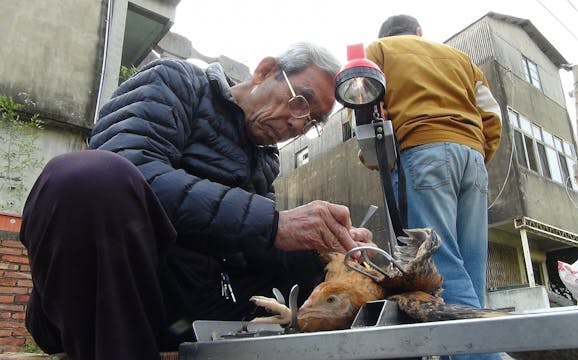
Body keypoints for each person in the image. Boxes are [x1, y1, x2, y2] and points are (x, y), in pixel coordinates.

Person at [20, 42, 374, 359]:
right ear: (265, 71)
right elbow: (131, 163)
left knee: (321, 264)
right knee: (85, 177)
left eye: (312, 121)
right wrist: (271, 223)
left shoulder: (264, 160)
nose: (298, 123)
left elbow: (245, 242)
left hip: (189, 306)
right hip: (117, 289)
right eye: (300, 101)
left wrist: (328, 246)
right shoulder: (176, 82)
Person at [365, 15, 502, 360]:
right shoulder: (463, 61)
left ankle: (479, 355)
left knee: (439, 266)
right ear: (419, 33)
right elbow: (493, 117)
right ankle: (473, 350)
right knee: (469, 267)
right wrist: (476, 152)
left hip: (422, 152)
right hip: (472, 158)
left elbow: (368, 115)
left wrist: (379, 162)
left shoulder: (378, 51)